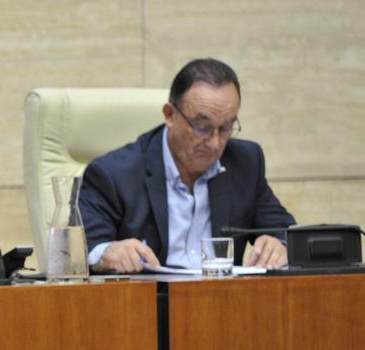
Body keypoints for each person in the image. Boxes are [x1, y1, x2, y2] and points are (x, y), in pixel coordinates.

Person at [79, 58, 293, 273]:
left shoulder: (245, 161)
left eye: (226, 127)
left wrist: (279, 245)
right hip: (149, 302)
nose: (215, 143)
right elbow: (87, 250)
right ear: (170, 115)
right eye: (202, 127)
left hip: (223, 299)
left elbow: (287, 231)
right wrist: (109, 253)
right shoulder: (115, 174)